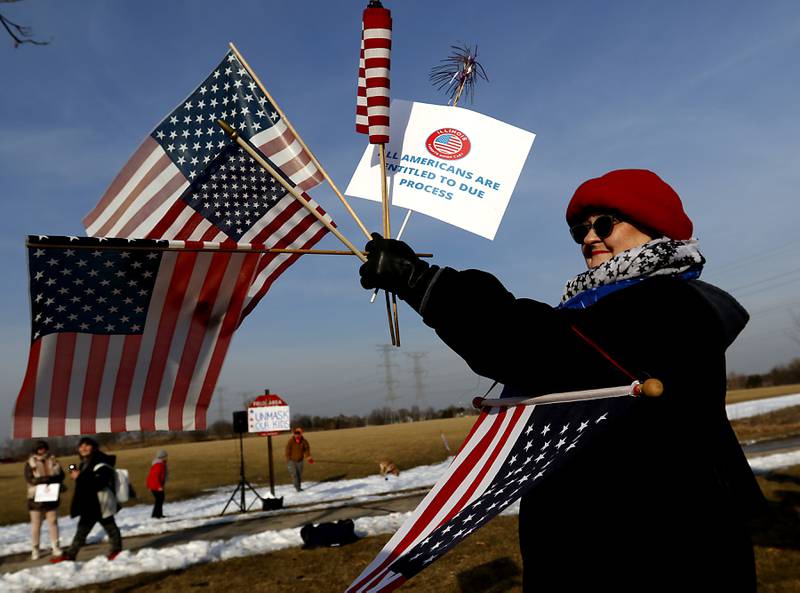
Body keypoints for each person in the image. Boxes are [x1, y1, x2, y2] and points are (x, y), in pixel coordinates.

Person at [359, 169, 763, 592]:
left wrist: (422, 282)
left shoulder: (670, 305)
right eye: (580, 230)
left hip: (660, 552)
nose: (590, 238)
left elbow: (537, 347)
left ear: (656, 228)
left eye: (605, 223)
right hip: (607, 545)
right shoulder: (610, 306)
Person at [51, 437, 123, 562]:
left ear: (94, 447)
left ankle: (116, 551)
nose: (83, 448)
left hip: (100, 503)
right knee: (91, 529)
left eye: (86, 445)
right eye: (81, 446)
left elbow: (100, 482)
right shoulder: (85, 462)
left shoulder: (102, 462)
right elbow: (74, 469)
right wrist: (70, 468)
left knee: (106, 527)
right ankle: (71, 555)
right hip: (90, 503)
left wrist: (80, 476)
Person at [24, 440, 64, 560]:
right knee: (36, 524)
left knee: (53, 522)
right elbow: (29, 478)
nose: (42, 450)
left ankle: (55, 546)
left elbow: (62, 475)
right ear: (35, 449)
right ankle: (35, 549)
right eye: (39, 448)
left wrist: (52, 479)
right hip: (35, 497)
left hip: (51, 496)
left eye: (44, 448)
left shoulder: (53, 460)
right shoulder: (30, 463)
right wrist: (45, 480)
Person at [285, 427, 313, 491]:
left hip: (300, 461)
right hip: (292, 461)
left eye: (299, 433)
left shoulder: (304, 441)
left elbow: (307, 449)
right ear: (294, 434)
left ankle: (299, 487)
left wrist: (308, 457)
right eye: (296, 433)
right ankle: (297, 487)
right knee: (295, 475)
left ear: (301, 434)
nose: (297, 435)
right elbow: (287, 450)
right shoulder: (291, 441)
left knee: (299, 475)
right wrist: (288, 459)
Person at [146, 450, 168, 519]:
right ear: (162, 457)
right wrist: (159, 486)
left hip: (155, 485)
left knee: (160, 499)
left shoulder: (161, 464)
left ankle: (158, 514)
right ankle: (156, 515)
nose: (166, 458)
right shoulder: (158, 465)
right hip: (155, 486)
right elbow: (155, 476)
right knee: (159, 499)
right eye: (165, 456)